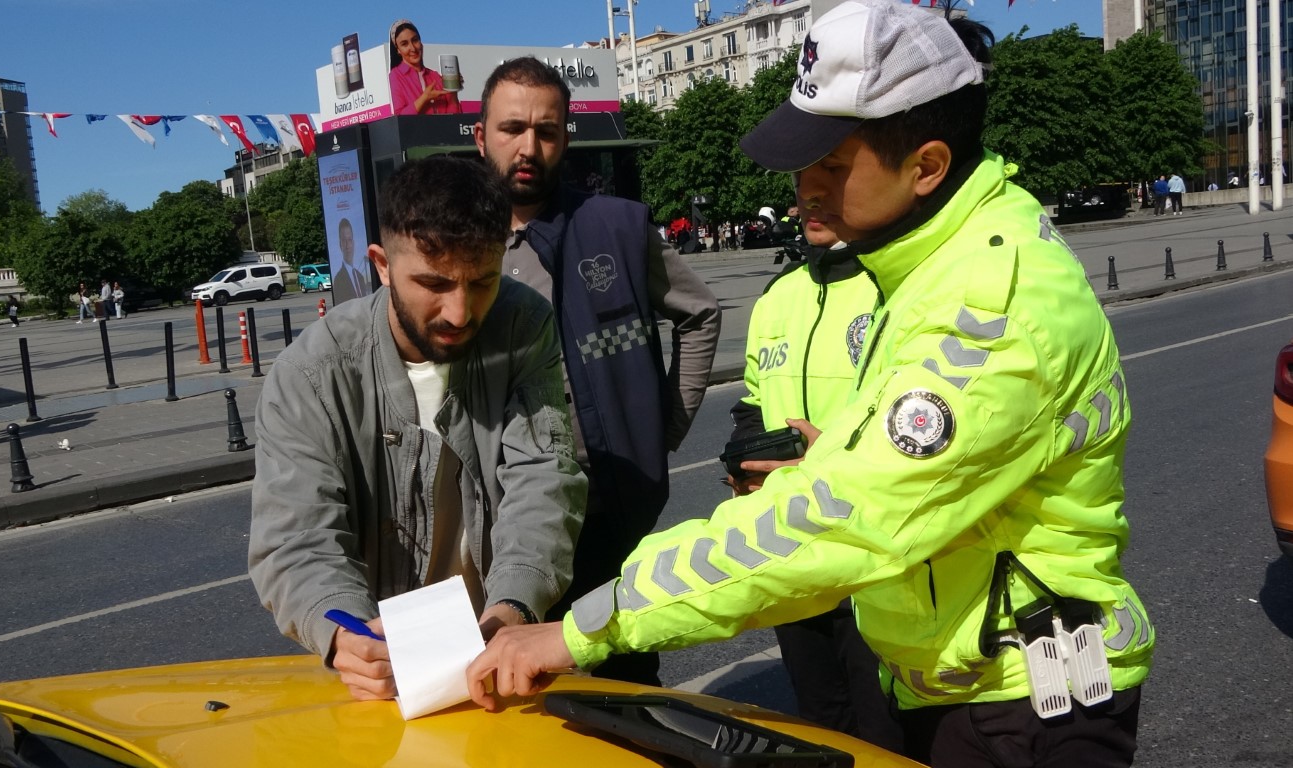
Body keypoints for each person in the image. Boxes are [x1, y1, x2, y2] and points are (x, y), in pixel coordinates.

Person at [468, 4, 1154, 766]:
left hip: (1023, 705)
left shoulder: (985, 306)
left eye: (832, 164)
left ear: (925, 165)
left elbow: (841, 523)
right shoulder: (933, 263)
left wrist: (581, 627)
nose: (805, 188)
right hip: (963, 681)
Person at [248, 154, 587, 701]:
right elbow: (296, 539)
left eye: (482, 282)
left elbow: (544, 479)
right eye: (433, 283)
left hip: (504, 653)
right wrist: (342, 635)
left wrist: (513, 610)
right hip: (373, 682)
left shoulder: (525, 324)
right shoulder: (309, 374)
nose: (459, 311)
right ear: (381, 264)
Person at [473, 56, 722, 685]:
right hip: (499, 515)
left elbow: (700, 315)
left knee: (621, 678)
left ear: (566, 137)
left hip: (607, 500)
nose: (528, 146)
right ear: (481, 137)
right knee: (513, 688)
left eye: (547, 131)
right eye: (511, 129)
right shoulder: (456, 241)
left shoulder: (616, 226)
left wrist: (665, 427)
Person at [727, 227, 900, 749]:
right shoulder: (779, 295)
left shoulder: (896, 286)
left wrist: (830, 460)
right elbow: (754, 401)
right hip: (795, 548)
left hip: (874, 554)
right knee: (823, 727)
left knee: (885, 733)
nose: (812, 199)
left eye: (833, 173)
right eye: (803, 183)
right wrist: (746, 458)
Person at [388, 20, 461, 116]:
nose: (413, 48)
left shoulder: (435, 76)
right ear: (398, 50)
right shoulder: (396, 75)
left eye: (415, 40)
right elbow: (400, 118)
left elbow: (455, 119)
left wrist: (453, 92)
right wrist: (425, 98)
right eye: (404, 44)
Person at [332, 218, 372, 302]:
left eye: (349, 240)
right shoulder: (338, 280)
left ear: (353, 243)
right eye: (344, 241)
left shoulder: (360, 278)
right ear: (340, 245)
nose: (347, 246)